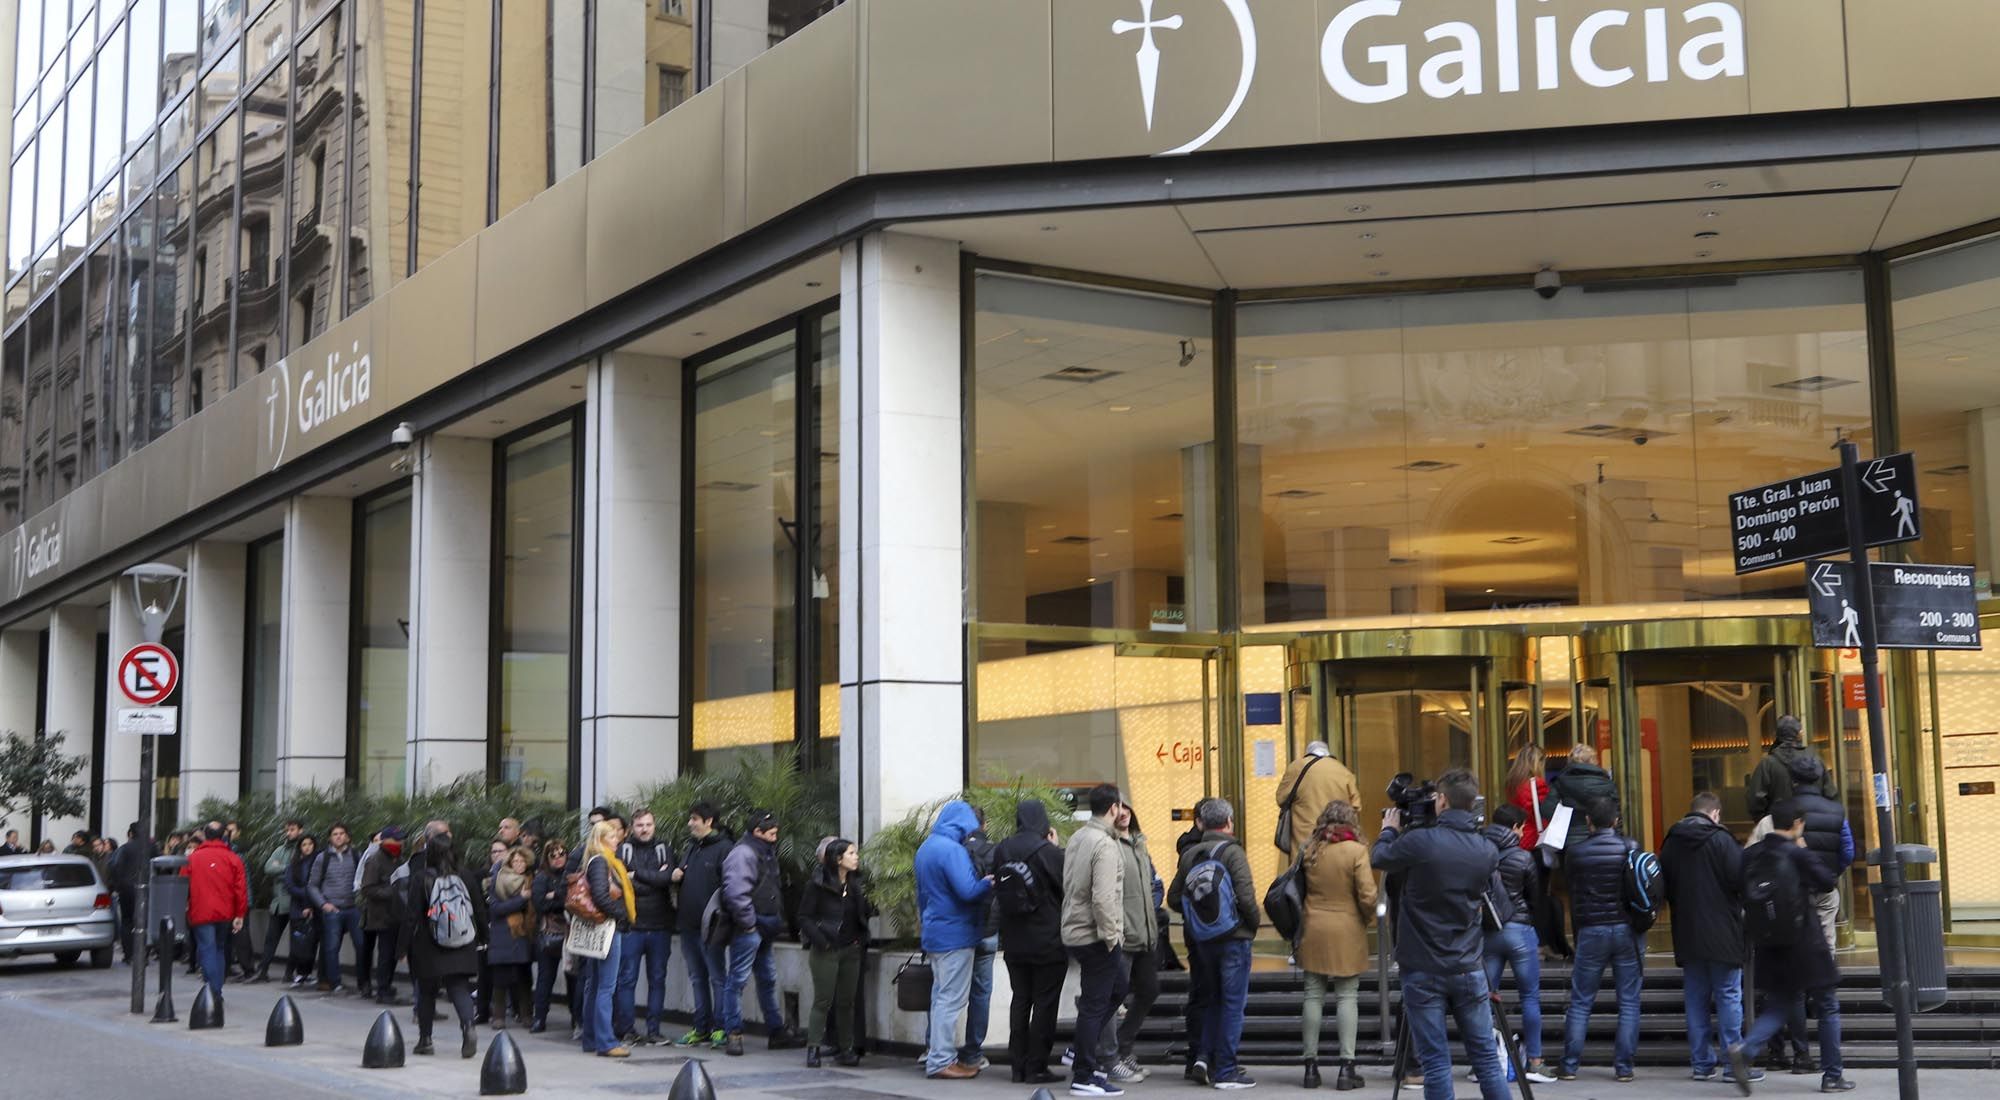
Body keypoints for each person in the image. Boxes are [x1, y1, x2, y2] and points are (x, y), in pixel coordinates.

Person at [1369, 769, 1507, 1100]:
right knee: (1486, 1058)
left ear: (1441, 800)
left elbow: (1380, 857)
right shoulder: (1486, 850)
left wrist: (1389, 830)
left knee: (1435, 1062)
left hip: (1423, 968)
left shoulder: (1420, 842)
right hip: (1468, 965)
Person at [1728, 801, 1853, 1094]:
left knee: (1780, 1004)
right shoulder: (1796, 853)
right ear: (1797, 823)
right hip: (1806, 943)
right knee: (1827, 1005)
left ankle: (1746, 1050)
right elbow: (1827, 882)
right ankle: (1833, 1075)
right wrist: (1804, 849)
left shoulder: (1752, 856)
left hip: (1770, 945)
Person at [1661, 792, 1757, 1084]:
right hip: (1723, 933)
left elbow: (1663, 885)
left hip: (1687, 933)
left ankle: (1701, 1064)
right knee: (1728, 996)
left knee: (1695, 1000)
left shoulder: (1671, 842)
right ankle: (1732, 1065)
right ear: (1714, 813)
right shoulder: (1723, 841)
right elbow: (1742, 882)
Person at [1169, 796, 1261, 1092]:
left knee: (1212, 1000)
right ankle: (1227, 1071)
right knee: (1233, 1004)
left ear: (1203, 823)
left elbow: (1173, 899)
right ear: (1229, 822)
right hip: (1234, 938)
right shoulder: (1233, 852)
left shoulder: (1190, 855)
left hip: (1204, 941)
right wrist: (1252, 924)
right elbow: (1246, 897)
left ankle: (1204, 1058)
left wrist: (1199, 917)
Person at [1558, 798, 1644, 1082]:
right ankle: (1624, 1067)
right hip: (1624, 928)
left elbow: (1571, 887)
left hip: (1591, 930)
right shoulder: (1629, 847)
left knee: (1581, 1001)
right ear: (1616, 821)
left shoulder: (1576, 852)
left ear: (1588, 822)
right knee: (1629, 1001)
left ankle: (1570, 1065)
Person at [1297, 800, 1377, 1091]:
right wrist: (1367, 919)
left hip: (1313, 927)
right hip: (1346, 928)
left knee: (1312, 995)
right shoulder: (1356, 851)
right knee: (1347, 996)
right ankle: (1347, 1067)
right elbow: (1368, 895)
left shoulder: (1310, 850)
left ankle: (1310, 1067)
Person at [914, 800, 994, 1081]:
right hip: (955, 934)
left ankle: (937, 1055)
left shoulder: (926, 848)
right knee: (950, 1000)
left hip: (935, 932)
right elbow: (968, 891)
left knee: (940, 998)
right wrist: (988, 883)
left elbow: (921, 896)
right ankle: (941, 1060)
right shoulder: (952, 851)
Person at [1060, 786, 1129, 1096]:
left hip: (1076, 931)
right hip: (1096, 935)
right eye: (1121, 807)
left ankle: (1079, 1051)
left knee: (1118, 987)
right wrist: (1112, 936)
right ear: (1113, 808)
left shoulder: (1077, 837)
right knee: (1096, 1002)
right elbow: (1103, 898)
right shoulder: (1104, 845)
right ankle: (1084, 1075)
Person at [994, 798, 1066, 1085]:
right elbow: (1066, 888)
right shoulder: (1048, 852)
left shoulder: (1003, 849)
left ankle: (1017, 1065)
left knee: (1020, 1000)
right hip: (1047, 939)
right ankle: (1037, 1066)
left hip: (1013, 939)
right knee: (1045, 1004)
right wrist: (1057, 847)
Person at [401, 825, 488, 1060]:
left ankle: (425, 1040)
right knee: (459, 987)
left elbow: (412, 916)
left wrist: (403, 947)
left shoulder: (421, 878)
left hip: (429, 944)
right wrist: (483, 938)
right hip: (463, 941)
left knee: (427, 992)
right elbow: (479, 909)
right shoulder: (466, 876)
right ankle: (468, 1027)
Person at [718, 809, 800, 1056]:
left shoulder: (759, 850)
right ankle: (734, 1033)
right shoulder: (744, 853)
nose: (776, 837)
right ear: (757, 832)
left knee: (767, 980)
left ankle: (776, 1031)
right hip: (751, 929)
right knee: (738, 981)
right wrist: (749, 923)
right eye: (772, 833)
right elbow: (734, 891)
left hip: (762, 927)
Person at [1483, 804, 1555, 1083]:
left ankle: (1487, 1060)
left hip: (1488, 931)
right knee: (1530, 997)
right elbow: (1535, 898)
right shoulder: (1523, 857)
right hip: (1520, 930)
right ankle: (1535, 1062)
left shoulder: (1480, 853)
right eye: (1522, 827)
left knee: (1485, 997)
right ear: (1514, 827)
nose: (1523, 831)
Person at [1094, 802, 1161, 1086]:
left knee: (1149, 989)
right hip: (1121, 935)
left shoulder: (1139, 846)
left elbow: (1155, 885)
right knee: (1112, 997)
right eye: (1117, 809)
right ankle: (1108, 1058)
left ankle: (1123, 1047)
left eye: (1127, 808)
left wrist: (1152, 910)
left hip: (1144, 934)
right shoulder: (1107, 847)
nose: (1123, 813)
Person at [797, 837, 875, 1068]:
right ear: (838, 859)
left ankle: (846, 1048)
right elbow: (803, 917)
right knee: (823, 1000)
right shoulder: (817, 884)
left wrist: (861, 938)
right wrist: (822, 941)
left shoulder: (855, 884)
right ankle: (813, 1048)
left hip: (851, 948)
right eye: (851, 853)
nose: (856, 857)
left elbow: (862, 914)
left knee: (846, 1002)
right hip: (827, 949)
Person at [614, 809, 677, 1046]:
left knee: (657, 979)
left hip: (660, 926)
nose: (645, 829)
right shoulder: (624, 849)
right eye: (640, 825)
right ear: (632, 827)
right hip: (632, 926)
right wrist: (655, 878)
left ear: (655, 825)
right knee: (627, 979)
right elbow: (622, 883)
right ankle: (628, 1030)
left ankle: (654, 1031)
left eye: (649, 824)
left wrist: (637, 875)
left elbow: (668, 879)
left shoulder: (664, 848)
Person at [672, 802, 732, 1049]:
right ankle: (701, 1027)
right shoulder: (692, 847)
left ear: (709, 822)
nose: (690, 823)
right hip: (688, 925)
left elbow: (729, 888)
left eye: (694, 819)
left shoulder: (725, 849)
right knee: (697, 977)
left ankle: (721, 1027)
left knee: (718, 978)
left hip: (713, 927)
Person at [1505, 744, 1570, 958]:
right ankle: (1541, 944)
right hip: (1536, 846)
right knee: (1540, 896)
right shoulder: (1537, 784)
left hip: (1519, 845)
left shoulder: (1514, 783)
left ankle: (1525, 941)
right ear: (1537, 762)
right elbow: (1543, 813)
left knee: (1524, 897)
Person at [577, 818, 635, 1058]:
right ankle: (606, 1041)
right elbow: (602, 896)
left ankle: (591, 1038)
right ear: (601, 840)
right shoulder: (601, 862)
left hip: (598, 929)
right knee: (606, 986)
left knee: (595, 985)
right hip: (608, 928)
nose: (617, 840)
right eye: (612, 837)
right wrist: (621, 914)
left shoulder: (594, 861)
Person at [181, 823, 248, 1000]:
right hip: (225, 912)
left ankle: (212, 991)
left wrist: (185, 905)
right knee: (219, 949)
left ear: (205, 835)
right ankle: (216, 990)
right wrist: (239, 914)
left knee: (207, 948)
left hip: (200, 910)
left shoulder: (193, 858)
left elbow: (182, 884)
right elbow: (240, 889)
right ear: (223, 835)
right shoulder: (233, 858)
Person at [1176, 798, 1217, 1085]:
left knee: (1200, 992)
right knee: (1209, 993)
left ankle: (1198, 1056)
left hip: (1194, 930)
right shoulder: (1203, 850)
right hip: (1213, 931)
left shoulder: (1186, 849)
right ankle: (1205, 1056)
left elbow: (1174, 896)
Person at [959, 807, 1000, 1074]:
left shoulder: (953, 851)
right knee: (981, 994)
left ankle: (934, 1048)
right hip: (989, 930)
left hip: (959, 931)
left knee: (946, 992)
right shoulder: (996, 851)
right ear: (984, 824)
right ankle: (973, 1052)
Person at [1276, 741, 1362, 855]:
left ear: (1307, 753)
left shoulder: (1295, 768)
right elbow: (1356, 807)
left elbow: (1281, 798)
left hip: (1304, 844)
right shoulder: (1344, 772)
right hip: (1335, 843)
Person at [306, 822, 362, 993]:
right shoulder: (322, 858)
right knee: (331, 946)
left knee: (361, 944)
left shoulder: (355, 855)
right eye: (335, 834)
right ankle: (335, 982)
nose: (338, 836)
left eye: (341, 833)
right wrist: (324, 904)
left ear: (347, 836)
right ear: (330, 838)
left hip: (353, 908)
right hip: (332, 909)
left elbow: (361, 880)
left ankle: (363, 982)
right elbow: (312, 885)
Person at [529, 839, 578, 1034]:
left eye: (561, 854)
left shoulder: (571, 876)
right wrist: (561, 898)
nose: (558, 859)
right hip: (549, 933)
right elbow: (540, 904)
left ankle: (576, 1018)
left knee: (573, 978)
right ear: (547, 858)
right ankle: (539, 1018)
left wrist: (555, 895)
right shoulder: (541, 878)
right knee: (545, 978)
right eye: (553, 855)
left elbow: (573, 902)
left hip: (570, 934)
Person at [485, 845, 536, 1028]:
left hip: (523, 933)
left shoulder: (531, 879)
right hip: (502, 933)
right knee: (500, 977)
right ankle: (498, 1016)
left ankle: (526, 1014)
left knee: (524, 976)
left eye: (522, 861)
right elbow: (495, 909)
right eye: (515, 861)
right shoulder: (499, 880)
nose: (519, 864)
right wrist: (521, 899)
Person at [357, 826, 405, 1004]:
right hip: (381, 915)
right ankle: (382, 990)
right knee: (385, 954)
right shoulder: (375, 860)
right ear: (386, 841)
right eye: (397, 839)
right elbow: (367, 888)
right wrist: (391, 892)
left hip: (396, 914)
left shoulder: (398, 858)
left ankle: (386, 986)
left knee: (392, 953)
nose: (401, 842)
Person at [251, 820, 304, 982]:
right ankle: (262, 971)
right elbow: (268, 868)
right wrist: (288, 869)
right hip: (279, 903)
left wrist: (281, 868)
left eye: (292, 829)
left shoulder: (304, 848)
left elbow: (302, 873)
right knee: (271, 939)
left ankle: (290, 973)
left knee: (296, 941)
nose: (289, 833)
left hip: (297, 902)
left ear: (300, 831)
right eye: (287, 830)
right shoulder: (280, 849)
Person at [1553, 743, 1619, 851]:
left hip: (1570, 840)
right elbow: (1616, 811)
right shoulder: (1607, 783)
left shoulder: (1560, 782)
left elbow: (1547, 809)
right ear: (1593, 760)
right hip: (1601, 839)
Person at [1746, 715, 1812, 821]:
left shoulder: (1767, 764)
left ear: (1777, 735)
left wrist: (1766, 823)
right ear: (1799, 734)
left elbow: (1755, 800)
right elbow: (1829, 794)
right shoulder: (1813, 761)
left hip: (1777, 827)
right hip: (1809, 824)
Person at [106, 823, 150, 964]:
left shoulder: (125, 849)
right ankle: (143, 955)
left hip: (127, 889)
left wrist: (117, 885)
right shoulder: (151, 847)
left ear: (130, 834)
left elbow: (114, 866)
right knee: (144, 922)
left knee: (127, 921)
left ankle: (129, 955)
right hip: (147, 888)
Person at [283, 835, 323, 986]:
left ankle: (307, 973)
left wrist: (312, 897)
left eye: (310, 844)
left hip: (316, 907)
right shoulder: (294, 865)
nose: (307, 847)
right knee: (299, 942)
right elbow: (289, 885)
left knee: (312, 942)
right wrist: (307, 894)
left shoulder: (318, 861)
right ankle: (299, 973)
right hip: (298, 908)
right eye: (304, 844)